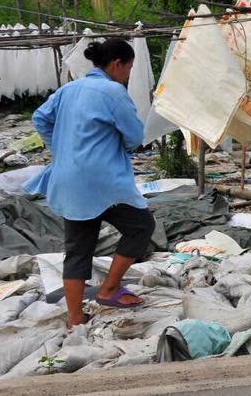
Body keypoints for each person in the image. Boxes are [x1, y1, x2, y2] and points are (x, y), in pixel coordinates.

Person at [24, 38, 155, 328]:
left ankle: (74, 317)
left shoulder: (68, 89)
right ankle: (109, 288)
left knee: (78, 248)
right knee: (141, 226)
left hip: (69, 180)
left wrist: (60, 149)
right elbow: (134, 137)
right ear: (117, 64)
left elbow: (40, 118)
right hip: (103, 181)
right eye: (129, 68)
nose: (128, 75)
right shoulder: (113, 92)